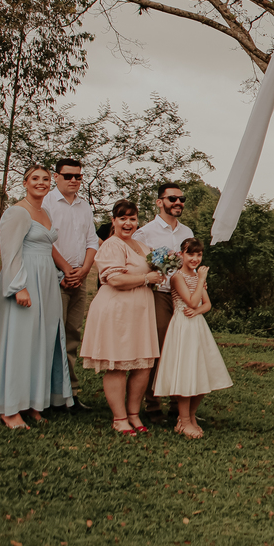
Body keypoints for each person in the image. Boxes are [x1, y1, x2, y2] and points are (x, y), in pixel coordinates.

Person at [0, 166, 74, 428]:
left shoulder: (45, 212)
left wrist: (60, 273)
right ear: (25, 183)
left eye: (46, 179)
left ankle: (31, 402)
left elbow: (46, 248)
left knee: (41, 341)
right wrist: (19, 287)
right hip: (25, 281)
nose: (41, 183)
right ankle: (8, 407)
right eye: (35, 178)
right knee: (19, 341)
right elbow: (10, 252)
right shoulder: (17, 212)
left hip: (46, 283)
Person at [80, 199, 163, 436]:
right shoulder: (111, 245)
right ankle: (119, 418)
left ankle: (134, 414)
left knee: (143, 364)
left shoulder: (141, 246)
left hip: (141, 311)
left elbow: (152, 272)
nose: (128, 223)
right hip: (117, 310)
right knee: (117, 365)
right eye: (123, 218)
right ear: (114, 221)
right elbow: (114, 279)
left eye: (132, 219)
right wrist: (146, 279)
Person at [153, 238, 232, 439]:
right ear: (181, 255)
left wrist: (197, 310)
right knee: (186, 372)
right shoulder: (177, 277)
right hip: (182, 326)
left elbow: (207, 305)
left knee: (204, 370)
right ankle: (184, 420)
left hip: (197, 325)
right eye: (190, 254)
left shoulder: (197, 277)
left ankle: (190, 415)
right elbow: (191, 301)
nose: (195, 258)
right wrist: (201, 279)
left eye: (199, 255)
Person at [133, 182, 193, 421]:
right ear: (159, 202)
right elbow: (137, 264)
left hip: (182, 297)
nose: (178, 202)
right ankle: (153, 406)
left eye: (181, 199)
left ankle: (178, 405)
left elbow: (190, 262)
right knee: (156, 350)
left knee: (181, 349)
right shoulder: (145, 232)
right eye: (172, 199)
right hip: (158, 294)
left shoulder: (187, 232)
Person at [44, 158, 99, 409]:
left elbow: (92, 241)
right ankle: (47, 394)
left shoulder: (84, 206)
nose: (74, 180)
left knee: (72, 335)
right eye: (68, 176)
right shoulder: (46, 203)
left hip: (79, 277)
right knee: (51, 336)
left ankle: (70, 393)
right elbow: (45, 240)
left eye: (78, 176)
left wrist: (84, 271)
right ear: (56, 176)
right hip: (54, 276)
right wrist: (66, 270)